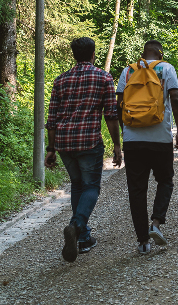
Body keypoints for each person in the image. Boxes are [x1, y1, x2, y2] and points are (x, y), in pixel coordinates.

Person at [44, 37, 122, 263]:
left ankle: (84, 238)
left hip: (64, 143)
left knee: (77, 185)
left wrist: (51, 148)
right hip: (88, 142)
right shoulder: (103, 77)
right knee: (91, 187)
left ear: (74, 55)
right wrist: (117, 145)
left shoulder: (61, 80)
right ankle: (76, 226)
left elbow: (52, 118)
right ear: (93, 54)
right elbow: (111, 115)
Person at [116, 40, 178, 254]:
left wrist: (124, 132)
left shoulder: (128, 71)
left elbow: (119, 103)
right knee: (165, 180)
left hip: (132, 139)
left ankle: (143, 242)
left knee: (137, 189)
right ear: (160, 53)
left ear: (143, 53)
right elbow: (175, 98)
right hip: (160, 138)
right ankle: (155, 223)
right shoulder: (166, 68)